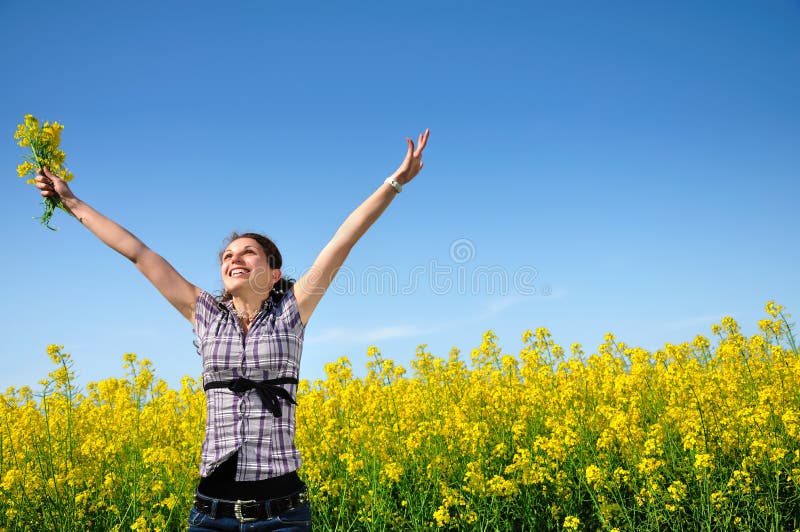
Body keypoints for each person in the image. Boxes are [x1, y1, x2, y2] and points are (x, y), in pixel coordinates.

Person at [33, 128, 430, 532]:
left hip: (282, 516)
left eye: (248, 252)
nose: (234, 259)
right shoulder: (204, 312)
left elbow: (344, 239)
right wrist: (70, 201)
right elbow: (137, 252)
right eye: (227, 255)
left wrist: (395, 182)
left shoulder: (292, 311)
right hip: (210, 514)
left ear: (274, 274)